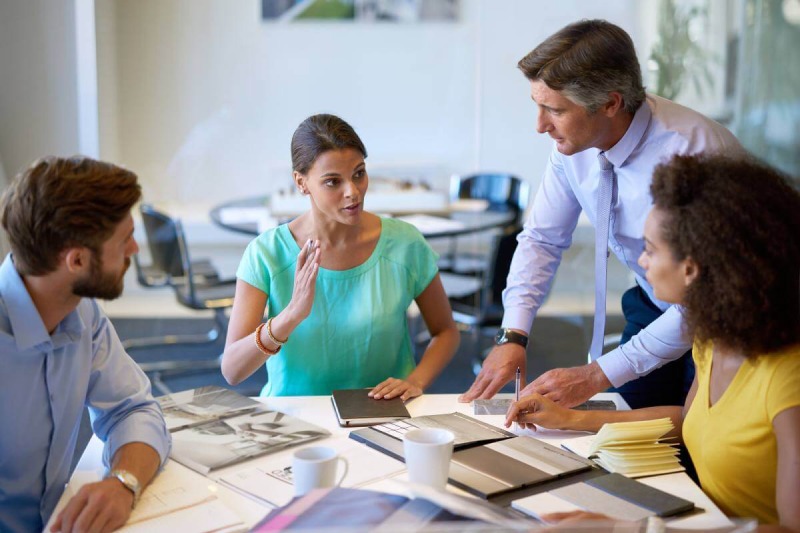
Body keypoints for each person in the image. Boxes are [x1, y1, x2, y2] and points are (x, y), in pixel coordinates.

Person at [461, 19, 743, 409]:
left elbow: (702, 299)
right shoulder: (572, 146)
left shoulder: (696, 154)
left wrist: (596, 375)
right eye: (537, 106)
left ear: (611, 103)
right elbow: (542, 239)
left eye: (554, 110)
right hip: (653, 298)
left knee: (695, 446)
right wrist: (514, 335)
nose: (540, 126)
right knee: (622, 437)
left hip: (725, 319)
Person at [506, 154, 800, 529]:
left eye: (650, 249)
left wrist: (639, 530)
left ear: (691, 268)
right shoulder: (713, 340)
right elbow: (687, 420)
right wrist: (571, 419)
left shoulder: (789, 377)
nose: (641, 262)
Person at [221, 113, 459, 398]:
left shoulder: (405, 243)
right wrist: (291, 316)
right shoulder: (266, 253)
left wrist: (416, 381)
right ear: (301, 182)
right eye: (333, 182)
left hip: (384, 414)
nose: (353, 192)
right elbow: (232, 371)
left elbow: (446, 331)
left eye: (359, 173)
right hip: (295, 420)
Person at [0, 157, 171, 533]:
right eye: (124, 239)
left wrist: (123, 482)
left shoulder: (82, 312)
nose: (135, 249)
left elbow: (134, 410)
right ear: (76, 260)